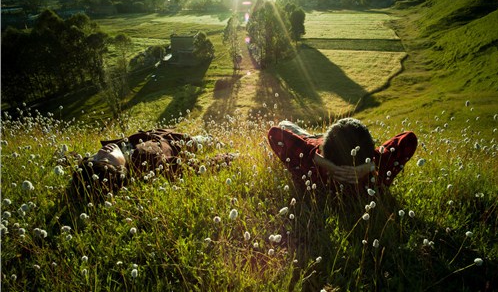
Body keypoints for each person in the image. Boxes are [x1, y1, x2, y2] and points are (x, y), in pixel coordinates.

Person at [70, 129, 236, 201]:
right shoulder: (145, 162)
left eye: (95, 156)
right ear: (119, 171)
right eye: (105, 159)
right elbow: (188, 169)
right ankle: (217, 142)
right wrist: (229, 158)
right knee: (212, 140)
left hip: (163, 133)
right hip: (182, 142)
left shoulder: (115, 154)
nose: (102, 152)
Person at [267, 118, 418, 193]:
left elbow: (275, 134)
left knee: (284, 124)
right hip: (329, 146)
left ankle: (319, 136)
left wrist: (325, 164)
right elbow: (409, 138)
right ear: (370, 152)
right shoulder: (377, 176)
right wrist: (370, 165)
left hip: (315, 143)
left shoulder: (312, 169)